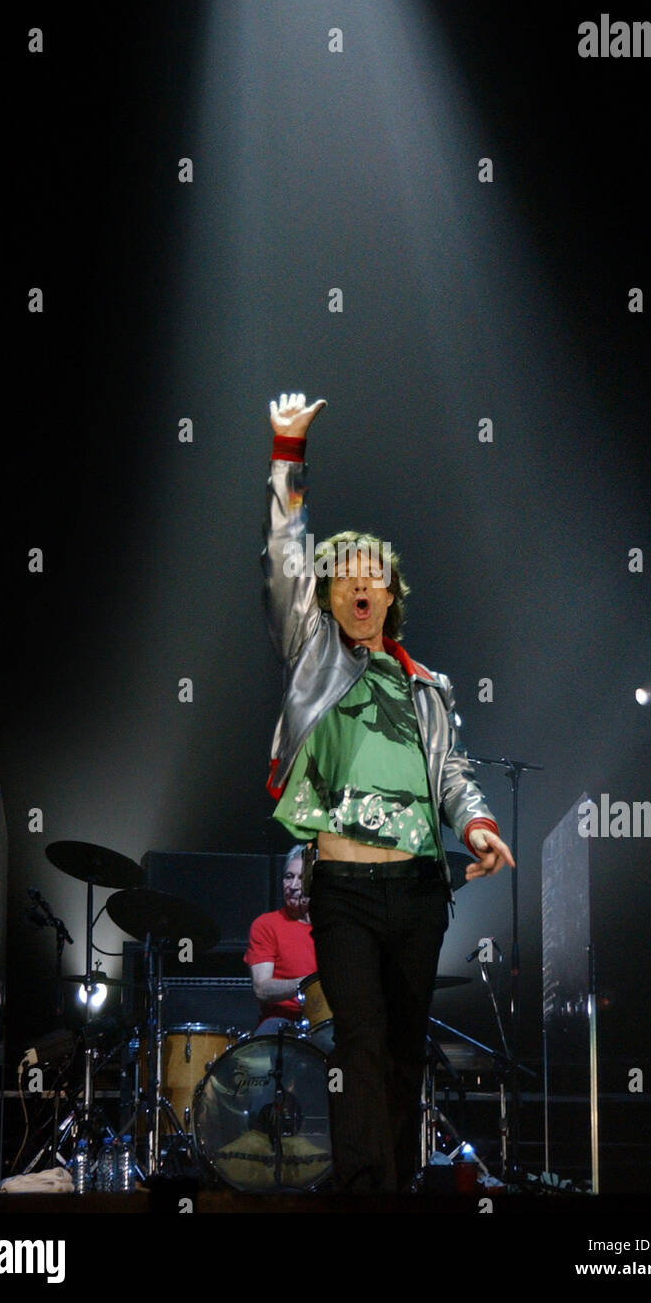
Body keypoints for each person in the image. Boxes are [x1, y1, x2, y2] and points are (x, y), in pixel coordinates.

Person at [261, 392, 515, 1194]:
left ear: (392, 594)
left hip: (418, 885)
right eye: (345, 580)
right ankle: (364, 1194)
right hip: (343, 887)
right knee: (360, 1042)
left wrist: (474, 824)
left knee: (405, 1049)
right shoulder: (313, 660)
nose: (359, 587)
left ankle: (396, 1188)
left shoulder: (428, 687)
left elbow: (451, 775)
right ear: (329, 599)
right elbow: (283, 557)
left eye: (374, 578)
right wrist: (288, 452)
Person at [244, 845, 317, 1033]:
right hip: (281, 1022)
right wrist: (309, 984)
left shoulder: (334, 927)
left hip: (326, 1021)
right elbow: (261, 988)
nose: (292, 886)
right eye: (288, 877)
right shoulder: (266, 925)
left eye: (301, 878)